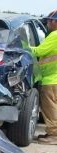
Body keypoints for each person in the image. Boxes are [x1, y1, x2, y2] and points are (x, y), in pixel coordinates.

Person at [30, 9, 57, 144]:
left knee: (49, 108)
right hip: (54, 79)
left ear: (54, 22)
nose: (47, 23)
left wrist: (23, 46)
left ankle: (54, 135)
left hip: (51, 80)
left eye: (49, 21)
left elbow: (39, 51)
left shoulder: (55, 35)